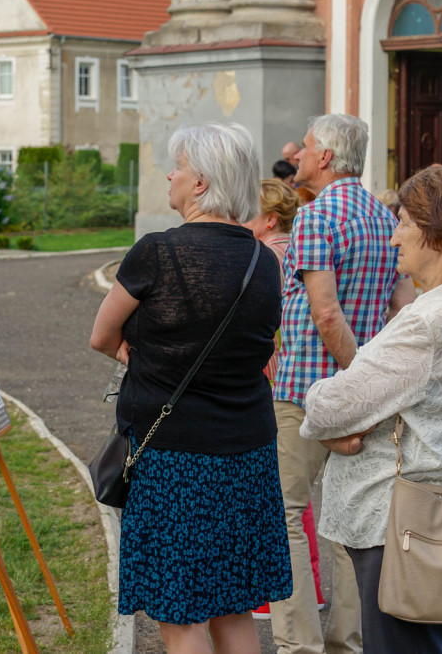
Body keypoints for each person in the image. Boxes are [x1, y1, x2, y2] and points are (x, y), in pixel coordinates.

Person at [90, 122, 292, 653]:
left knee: (181, 616)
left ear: (200, 182)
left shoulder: (155, 252)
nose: (169, 175)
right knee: (234, 608)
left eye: (177, 166)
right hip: (246, 451)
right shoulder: (264, 261)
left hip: (171, 455)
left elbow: (101, 336)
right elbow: (261, 348)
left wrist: (143, 357)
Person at [299, 161, 442, 654]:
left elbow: (333, 405)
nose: (394, 236)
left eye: (408, 222)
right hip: (420, 518)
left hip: (399, 526)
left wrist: (323, 411)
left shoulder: (431, 322)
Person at [271, 113, 415, 654]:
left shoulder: (314, 217)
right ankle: (347, 644)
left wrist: (351, 387)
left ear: (326, 157)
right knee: (353, 521)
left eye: (305, 148)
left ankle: (299, 646)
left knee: (284, 513)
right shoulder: (384, 217)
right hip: (369, 396)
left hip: (307, 392)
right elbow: (402, 305)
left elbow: (325, 313)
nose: (298, 157)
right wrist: (377, 383)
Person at [243, 178, 325, 621]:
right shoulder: (291, 247)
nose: (240, 219)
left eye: (248, 212)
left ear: (270, 218)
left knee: (281, 491)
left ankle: (290, 588)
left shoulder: (271, 255)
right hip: (285, 370)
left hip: (273, 373)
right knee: (293, 491)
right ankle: (305, 585)